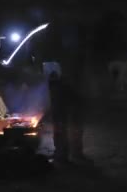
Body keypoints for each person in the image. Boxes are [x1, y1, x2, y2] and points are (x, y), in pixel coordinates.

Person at [36, 16, 93, 166]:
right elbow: (43, 54)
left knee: (73, 119)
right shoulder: (54, 29)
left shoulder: (76, 29)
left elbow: (83, 54)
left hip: (73, 81)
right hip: (61, 82)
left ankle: (73, 152)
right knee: (62, 119)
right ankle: (63, 153)